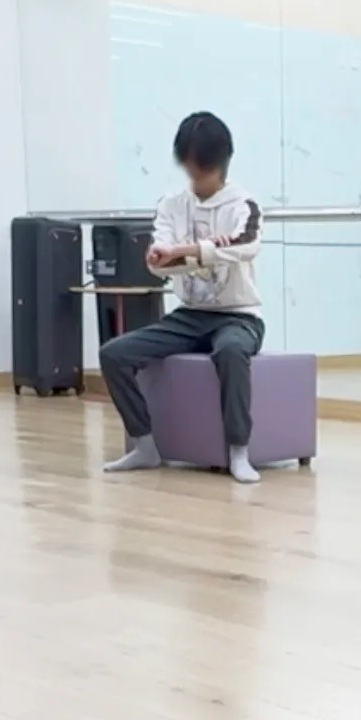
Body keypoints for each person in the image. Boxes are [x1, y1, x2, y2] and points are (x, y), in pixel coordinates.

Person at [100, 111, 267, 483]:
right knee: (114, 354)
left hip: (239, 315)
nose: (194, 171)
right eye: (190, 163)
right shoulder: (172, 204)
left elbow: (246, 246)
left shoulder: (244, 205)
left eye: (200, 163)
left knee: (231, 351)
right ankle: (144, 445)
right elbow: (160, 262)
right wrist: (193, 253)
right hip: (190, 315)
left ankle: (239, 450)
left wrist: (189, 250)